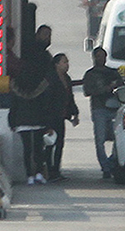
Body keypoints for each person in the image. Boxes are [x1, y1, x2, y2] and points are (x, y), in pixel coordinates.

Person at [8, 53, 56, 185]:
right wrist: (48, 124)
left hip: (22, 122)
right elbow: (46, 106)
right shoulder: (41, 84)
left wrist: (11, 122)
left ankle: (29, 175)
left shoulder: (16, 85)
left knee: (27, 150)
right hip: (38, 121)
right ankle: (39, 173)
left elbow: (14, 106)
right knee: (38, 149)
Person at [80, 46, 125, 180]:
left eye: (103, 56)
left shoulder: (113, 73)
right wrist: (107, 88)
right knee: (100, 140)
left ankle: (111, 162)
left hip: (114, 109)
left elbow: (122, 87)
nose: (101, 59)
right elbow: (87, 91)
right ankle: (105, 167)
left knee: (118, 138)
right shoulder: (90, 74)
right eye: (98, 56)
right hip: (98, 109)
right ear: (93, 58)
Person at [44, 52, 80, 181]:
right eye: (64, 62)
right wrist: (47, 123)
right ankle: (49, 170)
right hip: (51, 116)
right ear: (57, 64)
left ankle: (56, 170)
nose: (67, 65)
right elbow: (47, 101)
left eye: (67, 62)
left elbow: (70, 97)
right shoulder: (50, 79)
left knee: (59, 143)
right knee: (50, 144)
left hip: (61, 116)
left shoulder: (67, 78)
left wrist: (75, 112)